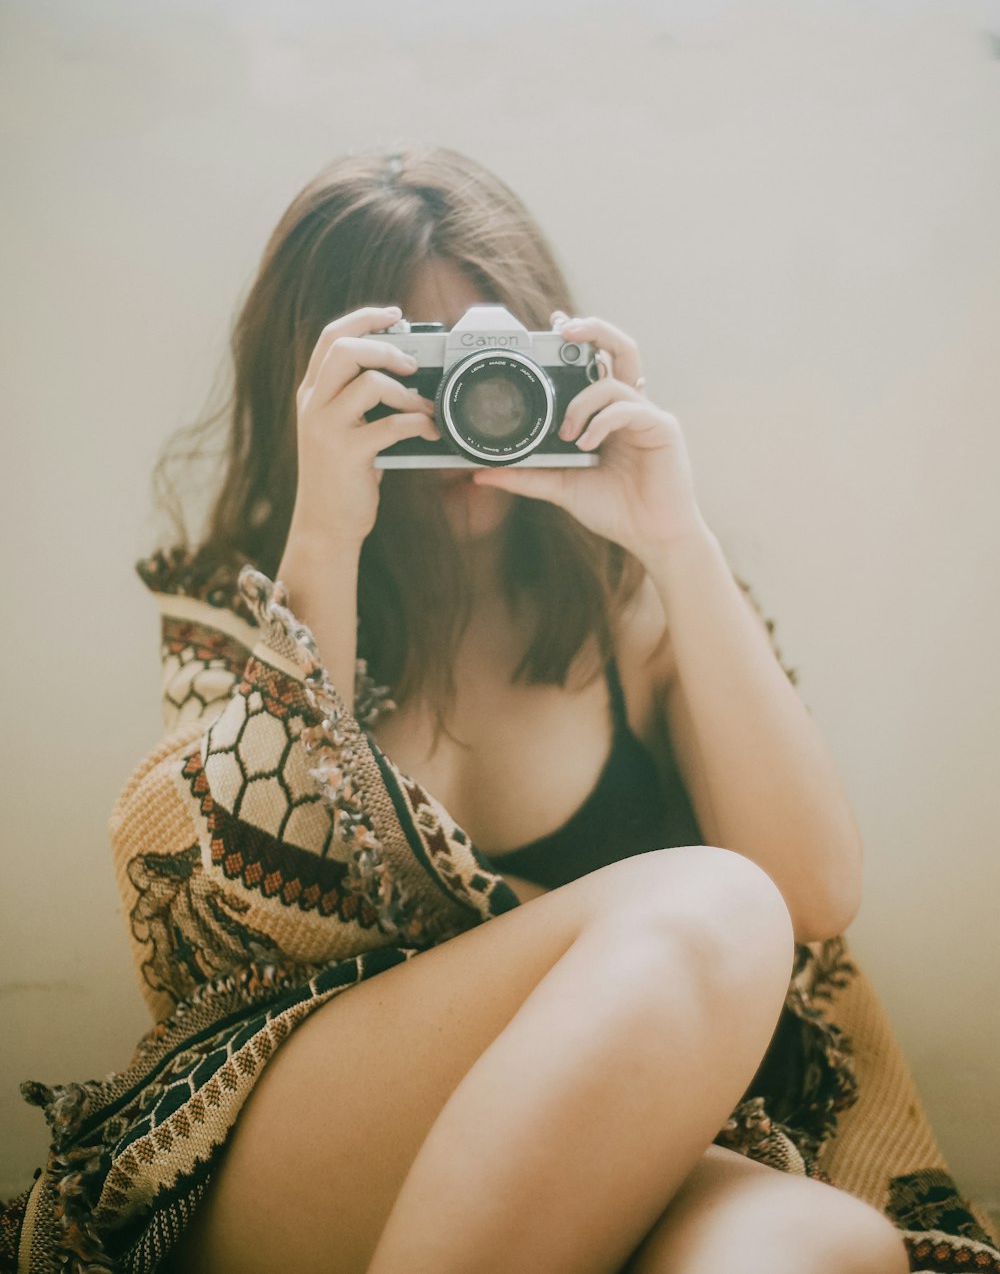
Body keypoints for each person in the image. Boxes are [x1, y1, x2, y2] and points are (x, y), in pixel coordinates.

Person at [3, 144, 911, 1274]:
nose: (472, 410)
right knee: (714, 902)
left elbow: (815, 894)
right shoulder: (241, 608)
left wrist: (676, 541)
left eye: (495, 366)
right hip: (301, 1135)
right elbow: (230, 941)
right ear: (311, 389)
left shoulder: (633, 606)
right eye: (411, 377)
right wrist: (326, 534)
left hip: (589, 1143)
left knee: (827, 1246)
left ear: (557, 355)